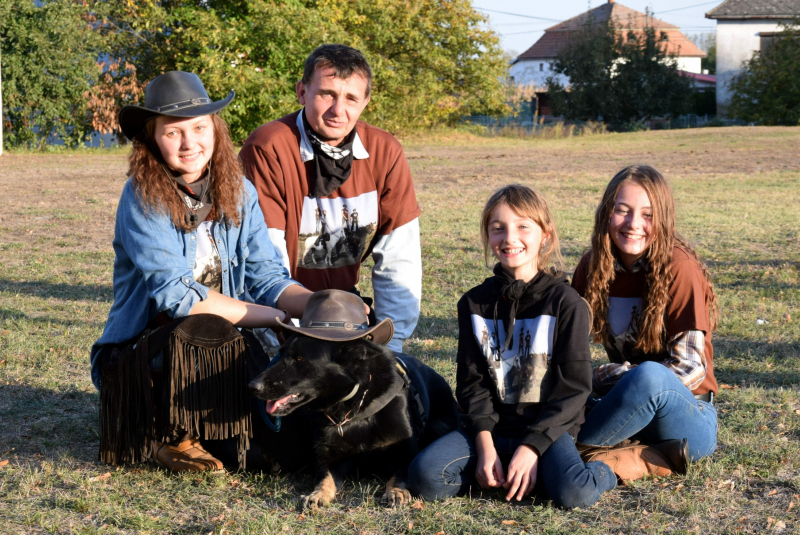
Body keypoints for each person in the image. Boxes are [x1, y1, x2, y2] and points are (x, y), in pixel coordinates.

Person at [90, 71, 312, 473]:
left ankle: (212, 424)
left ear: (216, 128)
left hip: (225, 348)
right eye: (173, 133)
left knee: (283, 452)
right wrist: (277, 317)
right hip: (150, 354)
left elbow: (266, 275)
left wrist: (314, 305)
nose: (190, 143)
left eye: (199, 127)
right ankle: (164, 429)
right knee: (204, 327)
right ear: (152, 140)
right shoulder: (143, 197)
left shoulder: (240, 190)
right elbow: (178, 297)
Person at [407, 184, 674, 509]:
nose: (510, 238)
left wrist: (532, 447)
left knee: (574, 492)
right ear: (488, 237)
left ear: (545, 235)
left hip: (547, 430)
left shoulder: (566, 304)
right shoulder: (473, 304)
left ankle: (612, 465)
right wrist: (485, 445)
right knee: (424, 477)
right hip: (492, 430)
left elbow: (574, 389)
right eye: (498, 228)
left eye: (523, 227)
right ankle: (508, 471)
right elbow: (471, 384)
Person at [239, 44, 421, 355]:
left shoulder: (384, 152)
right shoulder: (269, 148)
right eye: (326, 94)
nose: (339, 110)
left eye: (351, 98)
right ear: (302, 92)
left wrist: (394, 344)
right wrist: (286, 341)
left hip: (343, 310)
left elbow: (398, 258)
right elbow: (265, 261)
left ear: (365, 102)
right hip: (281, 313)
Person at [572, 165, 719, 463]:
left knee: (650, 376)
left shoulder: (680, 267)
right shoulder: (592, 266)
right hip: (623, 409)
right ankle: (644, 459)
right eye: (622, 210)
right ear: (605, 214)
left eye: (647, 215)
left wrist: (602, 376)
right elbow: (565, 348)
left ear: (663, 219)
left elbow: (690, 369)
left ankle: (564, 455)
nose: (633, 223)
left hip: (687, 419)